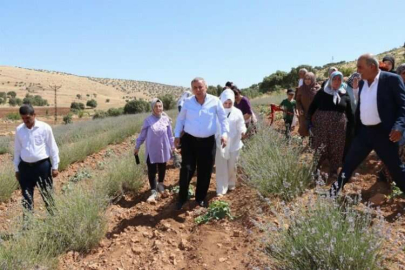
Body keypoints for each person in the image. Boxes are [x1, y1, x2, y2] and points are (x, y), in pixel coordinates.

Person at [330, 54, 405, 196]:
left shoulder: (391, 80)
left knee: (396, 169)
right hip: (364, 133)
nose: (357, 70)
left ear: (372, 67)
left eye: (360, 67)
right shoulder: (363, 83)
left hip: (384, 133)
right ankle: (333, 193)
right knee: (349, 164)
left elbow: (403, 106)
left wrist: (399, 126)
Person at [174, 77, 229, 210]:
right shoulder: (187, 102)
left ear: (206, 87)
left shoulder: (215, 101)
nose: (198, 90)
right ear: (192, 89)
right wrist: (176, 135)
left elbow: (223, 119)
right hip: (190, 141)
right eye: (195, 88)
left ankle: (200, 198)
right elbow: (180, 119)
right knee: (187, 169)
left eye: (200, 87)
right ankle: (182, 198)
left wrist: (224, 134)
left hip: (208, 141)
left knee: (205, 170)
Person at [14, 104, 59, 215]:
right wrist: (16, 169)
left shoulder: (45, 128)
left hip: (42, 167)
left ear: (34, 115)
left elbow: (53, 147)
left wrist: (55, 166)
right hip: (25, 168)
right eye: (23, 118)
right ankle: (27, 224)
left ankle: (54, 219)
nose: (25, 121)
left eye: (28, 118)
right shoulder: (19, 130)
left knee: (47, 193)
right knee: (26, 196)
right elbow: (17, 150)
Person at [307, 71, 354, 177]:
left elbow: (350, 112)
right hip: (321, 126)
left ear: (342, 81)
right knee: (321, 146)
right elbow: (312, 108)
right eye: (335, 79)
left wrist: (352, 126)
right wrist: (308, 121)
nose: (337, 82)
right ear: (330, 80)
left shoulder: (344, 93)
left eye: (339, 79)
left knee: (337, 147)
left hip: (339, 127)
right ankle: (317, 170)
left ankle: (334, 171)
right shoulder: (322, 92)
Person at [135, 98, 175, 203]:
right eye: (156, 106)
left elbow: (170, 135)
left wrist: (173, 146)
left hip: (164, 148)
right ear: (152, 108)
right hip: (152, 150)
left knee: (162, 167)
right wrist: (137, 146)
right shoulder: (148, 121)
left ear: (162, 107)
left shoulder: (166, 119)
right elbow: (142, 135)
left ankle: (160, 184)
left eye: (160, 106)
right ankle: (153, 191)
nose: (158, 108)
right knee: (152, 170)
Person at [215, 89, 246, 196]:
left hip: (234, 142)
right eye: (225, 103)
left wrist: (243, 131)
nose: (227, 105)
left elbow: (241, 125)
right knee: (221, 166)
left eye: (230, 103)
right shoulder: (217, 112)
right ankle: (221, 188)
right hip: (221, 142)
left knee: (232, 165)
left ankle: (231, 183)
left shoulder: (237, 112)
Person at [296, 72, 321, 137]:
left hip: (315, 113)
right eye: (305, 79)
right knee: (304, 128)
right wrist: (300, 108)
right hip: (304, 112)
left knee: (315, 130)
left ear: (313, 79)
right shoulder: (301, 89)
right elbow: (298, 101)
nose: (307, 81)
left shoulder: (318, 88)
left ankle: (313, 143)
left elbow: (322, 100)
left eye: (309, 79)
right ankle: (302, 142)